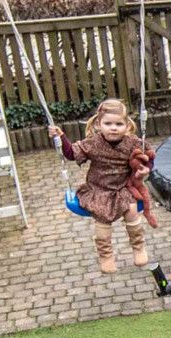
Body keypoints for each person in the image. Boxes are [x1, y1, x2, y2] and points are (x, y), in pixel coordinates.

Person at [50, 97, 158, 274]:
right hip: (98, 189)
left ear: (127, 125)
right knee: (102, 217)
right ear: (99, 124)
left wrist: (144, 170)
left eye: (118, 124)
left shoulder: (133, 143)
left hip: (123, 188)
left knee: (132, 210)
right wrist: (60, 137)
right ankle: (106, 255)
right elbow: (71, 153)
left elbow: (148, 158)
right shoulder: (93, 143)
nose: (113, 128)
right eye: (108, 123)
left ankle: (139, 248)